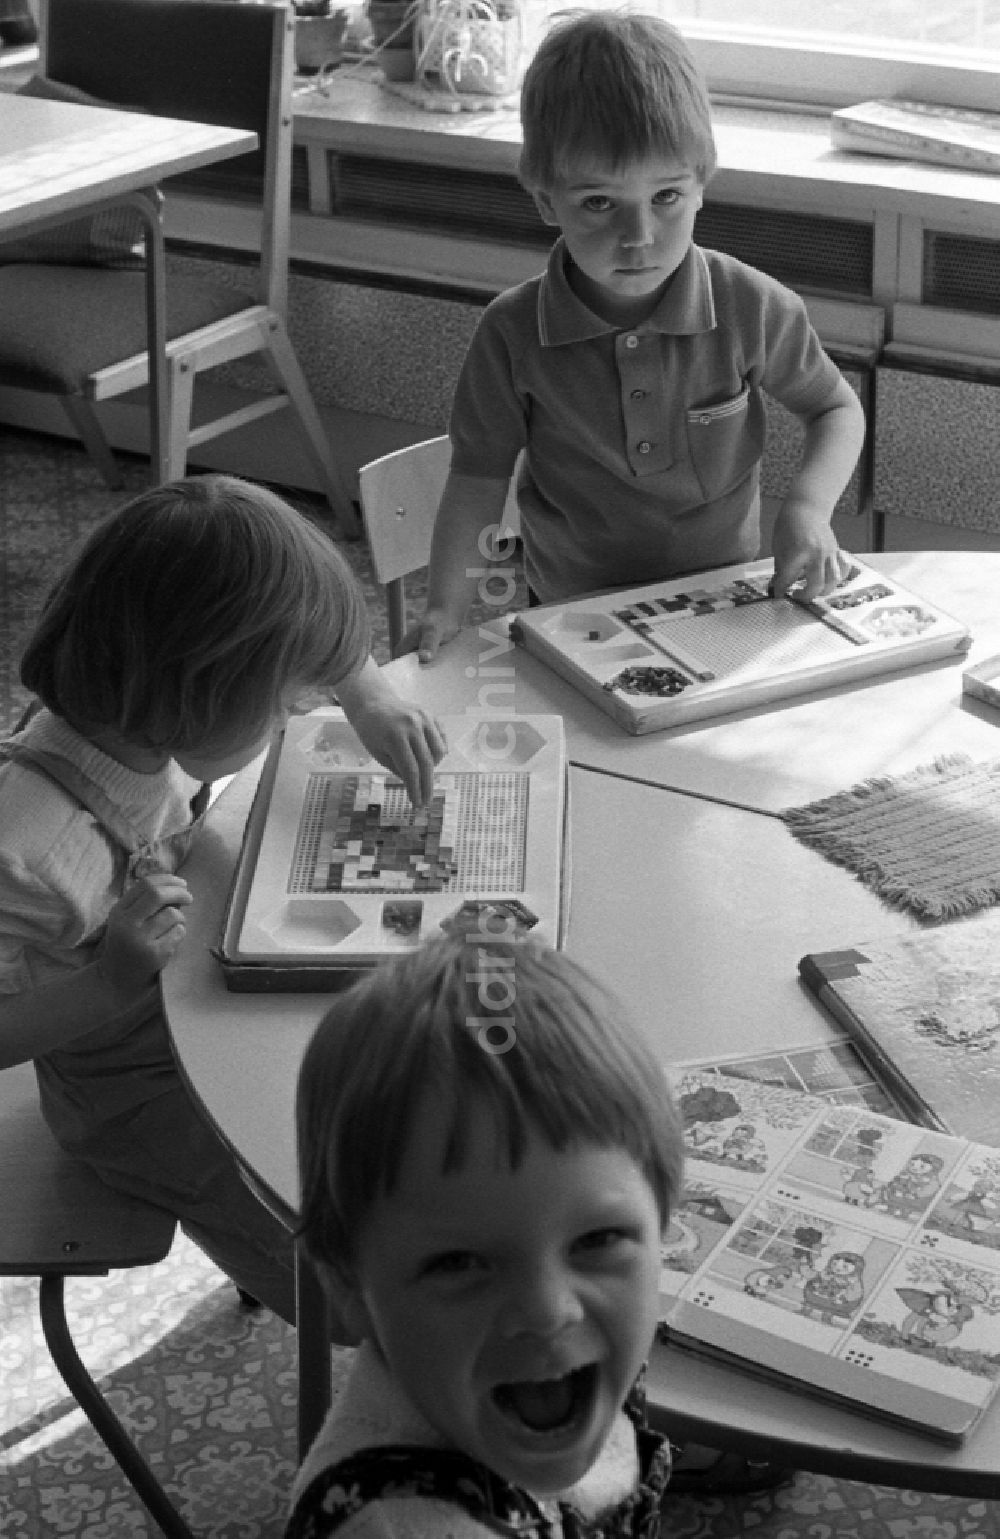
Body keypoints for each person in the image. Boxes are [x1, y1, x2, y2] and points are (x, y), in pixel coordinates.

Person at [0, 473, 446, 1324]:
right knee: (339, 1270)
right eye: (285, 702)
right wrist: (104, 983)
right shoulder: (28, 849)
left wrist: (370, 695)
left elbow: (308, 639)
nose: (293, 718)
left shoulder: (143, 704)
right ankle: (359, 1318)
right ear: (203, 690)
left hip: (200, 991)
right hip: (132, 1096)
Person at [403, 9, 867, 662]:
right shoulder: (511, 333)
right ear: (545, 201)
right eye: (599, 203)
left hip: (721, 604)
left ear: (702, 183)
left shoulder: (749, 304)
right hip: (570, 612)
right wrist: (447, 605)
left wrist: (809, 511)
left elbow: (835, 406)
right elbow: (479, 475)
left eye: (667, 197)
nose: (639, 235)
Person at [288, 934, 683, 1538]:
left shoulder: (553, 1368)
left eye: (597, 1240)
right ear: (348, 1285)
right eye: (459, 1262)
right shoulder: (407, 1530)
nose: (548, 1311)